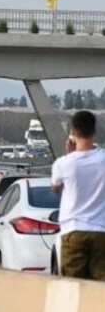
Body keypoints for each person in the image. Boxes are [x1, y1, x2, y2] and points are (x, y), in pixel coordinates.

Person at [51, 110, 105, 281]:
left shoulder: (63, 163)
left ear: (73, 132)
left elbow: (56, 188)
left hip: (72, 230)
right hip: (100, 231)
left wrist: (69, 153)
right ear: (94, 132)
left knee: (72, 287)